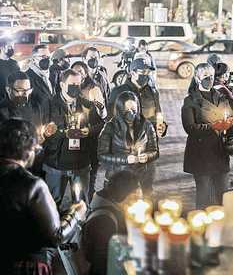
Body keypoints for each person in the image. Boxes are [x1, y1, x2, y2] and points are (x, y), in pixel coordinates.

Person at [0, 119, 86, 275]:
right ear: (28, 149)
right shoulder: (32, 185)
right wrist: (75, 214)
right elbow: (56, 236)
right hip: (26, 270)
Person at [43, 69, 105, 206]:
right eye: (72, 84)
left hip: (80, 162)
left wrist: (88, 131)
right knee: (53, 203)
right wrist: (62, 133)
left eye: (78, 84)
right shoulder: (48, 104)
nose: (75, 88)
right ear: (62, 84)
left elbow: (101, 124)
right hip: (56, 162)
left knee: (81, 203)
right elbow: (43, 131)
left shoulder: (86, 104)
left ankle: (82, 226)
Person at [182, 63, 233, 208]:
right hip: (201, 154)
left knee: (223, 195)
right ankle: (201, 225)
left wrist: (230, 123)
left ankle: (221, 224)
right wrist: (212, 127)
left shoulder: (221, 97)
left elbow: (230, 115)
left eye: (211, 76)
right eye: (205, 76)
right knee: (204, 196)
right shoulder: (190, 100)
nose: (209, 79)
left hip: (219, 152)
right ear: (197, 78)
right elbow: (190, 127)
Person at [98, 91, 158, 195]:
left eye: (134, 110)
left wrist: (147, 156)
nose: (131, 113)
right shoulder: (110, 127)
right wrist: (124, 159)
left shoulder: (146, 125)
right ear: (120, 109)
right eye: (127, 110)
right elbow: (102, 155)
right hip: (117, 179)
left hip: (140, 179)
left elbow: (154, 151)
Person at [82, 171, 139, 275]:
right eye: (134, 196)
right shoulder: (104, 220)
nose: (137, 200)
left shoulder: (107, 204)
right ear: (123, 193)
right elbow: (102, 261)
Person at [72, 61, 107, 200]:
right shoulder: (70, 90)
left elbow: (103, 118)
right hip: (74, 140)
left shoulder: (93, 90)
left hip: (91, 141)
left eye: (81, 71)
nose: (78, 74)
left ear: (86, 74)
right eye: (75, 71)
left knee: (90, 176)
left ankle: (88, 204)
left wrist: (90, 130)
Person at [108, 58, 167, 139]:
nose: (146, 75)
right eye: (143, 72)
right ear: (133, 73)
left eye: (148, 72)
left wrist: (162, 126)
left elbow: (158, 114)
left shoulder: (153, 92)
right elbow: (110, 120)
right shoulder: (118, 92)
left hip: (149, 143)